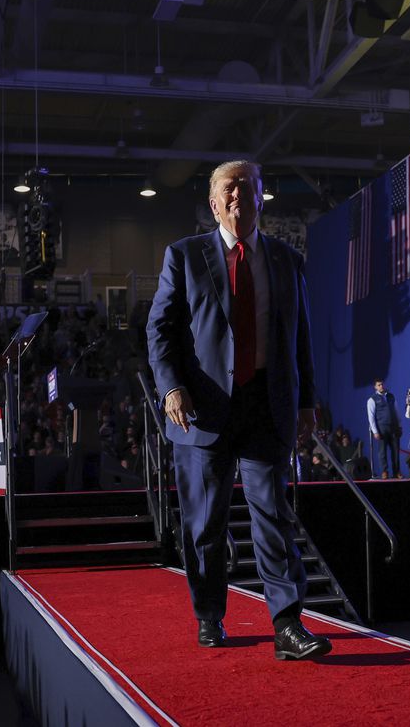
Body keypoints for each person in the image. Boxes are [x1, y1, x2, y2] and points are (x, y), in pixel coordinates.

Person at [147, 159, 331, 660]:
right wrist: (171, 388)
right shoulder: (182, 257)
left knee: (273, 514)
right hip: (203, 412)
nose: (237, 196)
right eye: (228, 189)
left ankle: (288, 625)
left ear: (260, 197)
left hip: (267, 407)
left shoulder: (287, 261)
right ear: (213, 203)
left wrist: (308, 402)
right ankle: (210, 615)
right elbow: (159, 331)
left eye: (247, 188)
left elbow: (301, 340)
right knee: (204, 523)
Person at [367, 379, 401, 478]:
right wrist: (375, 431)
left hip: (394, 427)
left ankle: (396, 472)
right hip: (382, 428)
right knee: (382, 451)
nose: (381, 386)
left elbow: (396, 411)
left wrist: (399, 426)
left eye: (382, 384)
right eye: (379, 385)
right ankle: (384, 471)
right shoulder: (372, 399)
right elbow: (371, 416)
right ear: (375, 387)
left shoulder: (391, 396)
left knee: (395, 450)